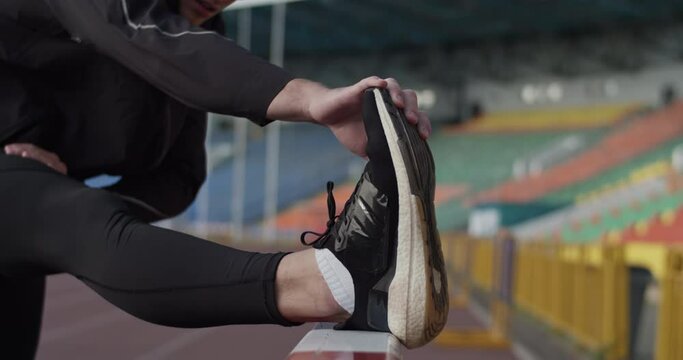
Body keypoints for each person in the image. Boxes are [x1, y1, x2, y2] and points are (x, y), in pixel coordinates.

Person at [0, 0, 448, 358]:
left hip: (31, 207)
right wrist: (311, 100)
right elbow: (131, 28)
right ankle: (323, 280)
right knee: (60, 210)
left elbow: (180, 175)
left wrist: (80, 205)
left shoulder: (206, 34)